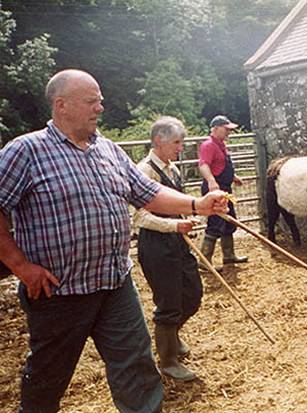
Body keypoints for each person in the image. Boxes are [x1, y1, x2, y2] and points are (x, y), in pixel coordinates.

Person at [0, 69, 228, 413]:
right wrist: (20, 266)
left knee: (137, 368)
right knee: (48, 380)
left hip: (115, 284)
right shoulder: (26, 151)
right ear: (61, 106)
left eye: (100, 101)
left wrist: (198, 204)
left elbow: (148, 193)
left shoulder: (108, 149)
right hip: (58, 292)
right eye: (92, 101)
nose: (100, 108)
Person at [134, 116, 201, 381]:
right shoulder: (144, 171)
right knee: (169, 303)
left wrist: (185, 219)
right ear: (158, 141)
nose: (181, 147)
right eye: (176, 142)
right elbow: (138, 218)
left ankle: (171, 336)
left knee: (193, 293)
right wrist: (174, 227)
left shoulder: (172, 169)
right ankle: (169, 360)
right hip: (155, 245)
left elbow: (175, 205)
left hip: (177, 241)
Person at [198, 115, 248, 268]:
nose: (229, 132)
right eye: (226, 129)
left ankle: (229, 255)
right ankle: (204, 261)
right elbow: (204, 165)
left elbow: (219, 165)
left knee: (229, 221)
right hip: (215, 189)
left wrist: (233, 177)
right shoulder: (208, 145)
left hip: (225, 189)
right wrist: (212, 182)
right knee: (216, 222)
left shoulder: (221, 145)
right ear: (216, 128)